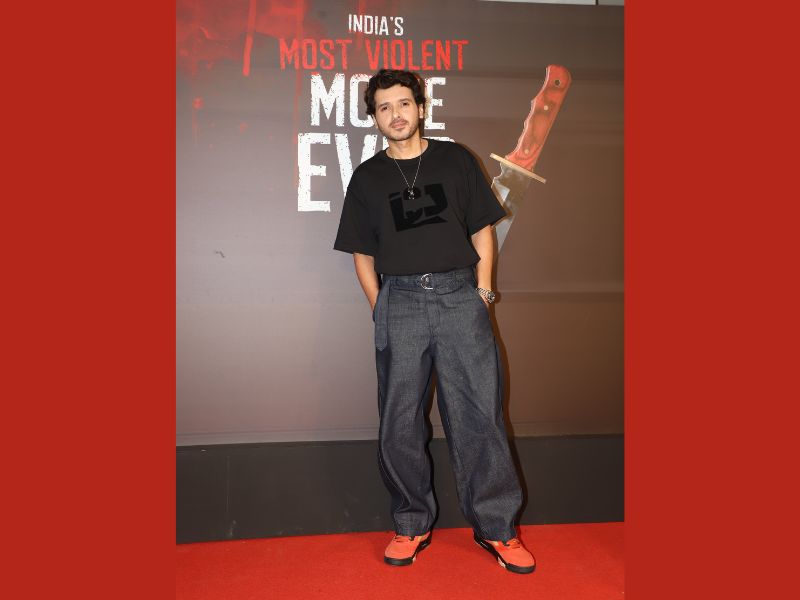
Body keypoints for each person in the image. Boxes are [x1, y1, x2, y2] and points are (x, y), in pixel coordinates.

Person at [333, 69, 535, 574]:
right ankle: (410, 523)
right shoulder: (368, 178)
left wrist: (482, 291)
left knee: (480, 417)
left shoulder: (454, 159)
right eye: (384, 107)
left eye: (403, 103)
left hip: (459, 296)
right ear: (375, 118)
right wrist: (381, 305)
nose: (395, 114)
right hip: (399, 301)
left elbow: (483, 229)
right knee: (399, 421)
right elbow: (361, 253)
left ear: (420, 108)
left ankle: (497, 528)